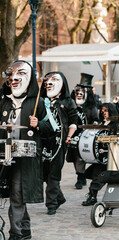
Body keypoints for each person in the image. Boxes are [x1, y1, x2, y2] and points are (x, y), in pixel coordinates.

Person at [0, 60, 53, 240]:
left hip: (26, 156)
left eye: (20, 74)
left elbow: (53, 129)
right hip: (5, 153)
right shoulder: (3, 101)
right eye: (11, 75)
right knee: (16, 193)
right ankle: (25, 229)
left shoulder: (39, 102)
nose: (14, 78)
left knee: (17, 193)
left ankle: (16, 233)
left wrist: (39, 125)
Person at [40, 71, 78, 215]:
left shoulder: (68, 102)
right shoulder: (42, 101)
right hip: (43, 141)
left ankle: (51, 204)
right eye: (47, 80)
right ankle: (59, 197)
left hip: (59, 141)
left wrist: (68, 137)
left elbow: (74, 122)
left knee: (54, 173)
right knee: (44, 172)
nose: (49, 83)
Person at [82, 103, 119, 206]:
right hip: (101, 156)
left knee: (99, 176)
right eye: (102, 111)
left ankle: (93, 195)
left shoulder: (116, 125)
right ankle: (92, 195)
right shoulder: (102, 123)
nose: (104, 113)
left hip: (111, 156)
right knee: (96, 173)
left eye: (106, 111)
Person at [68, 73, 99, 189]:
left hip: (87, 135)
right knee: (76, 156)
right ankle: (80, 176)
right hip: (74, 134)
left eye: (82, 92)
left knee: (83, 155)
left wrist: (93, 126)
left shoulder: (91, 107)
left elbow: (96, 119)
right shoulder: (71, 105)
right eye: (78, 91)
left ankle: (82, 175)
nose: (79, 94)